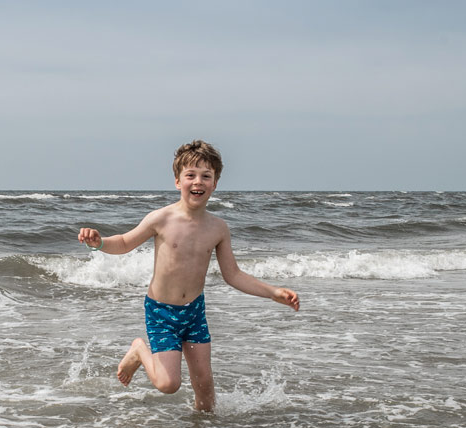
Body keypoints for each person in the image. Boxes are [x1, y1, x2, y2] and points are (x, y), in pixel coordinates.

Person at [77, 140, 300, 412]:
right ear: (177, 181)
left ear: (215, 183)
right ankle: (138, 350)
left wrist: (273, 292)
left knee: (205, 388)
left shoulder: (218, 228)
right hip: (161, 312)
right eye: (191, 175)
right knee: (168, 384)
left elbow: (233, 274)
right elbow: (124, 242)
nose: (199, 181)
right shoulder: (161, 219)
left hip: (194, 311)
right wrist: (99, 243)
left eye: (207, 176)